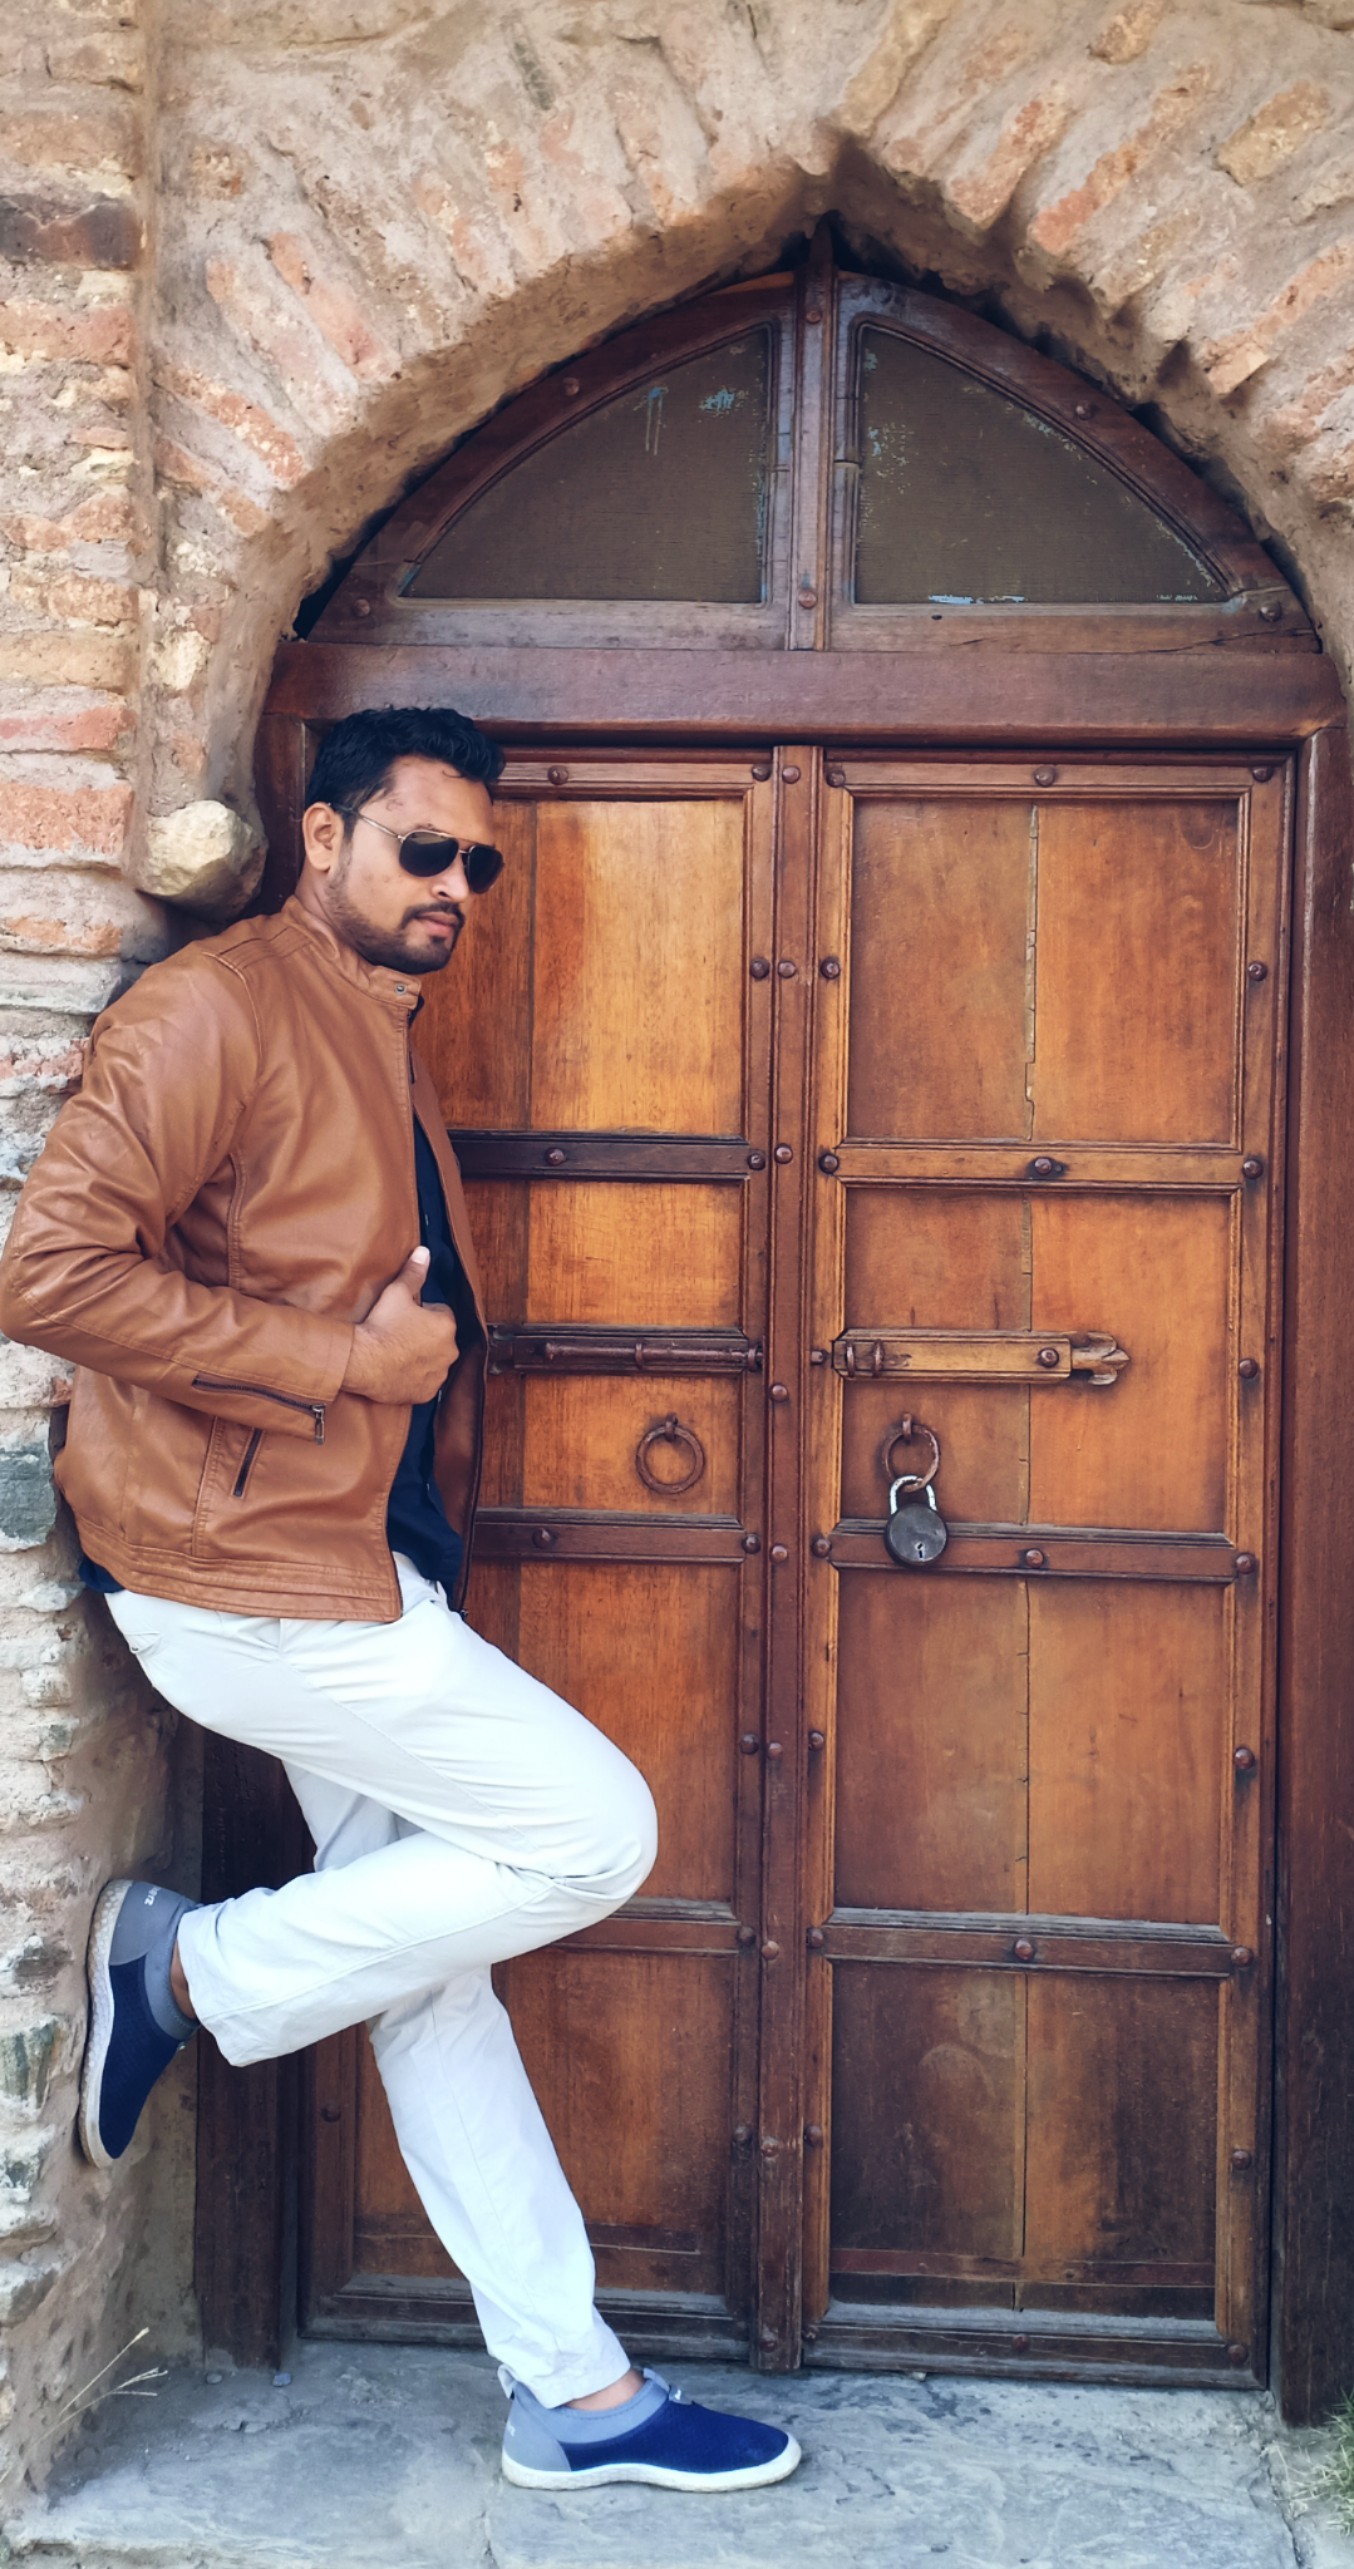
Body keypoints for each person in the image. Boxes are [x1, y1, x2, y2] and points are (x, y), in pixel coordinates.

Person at [0, 705, 799, 2496]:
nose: (455, 885)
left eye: (477, 863)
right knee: (594, 1831)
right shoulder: (216, 1007)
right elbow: (47, 1271)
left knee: (429, 1978)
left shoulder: (368, 1020)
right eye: (421, 847)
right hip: (249, 1586)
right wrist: (339, 1361)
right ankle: (184, 1969)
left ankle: (575, 2394)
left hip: (335, 1562)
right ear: (323, 838)